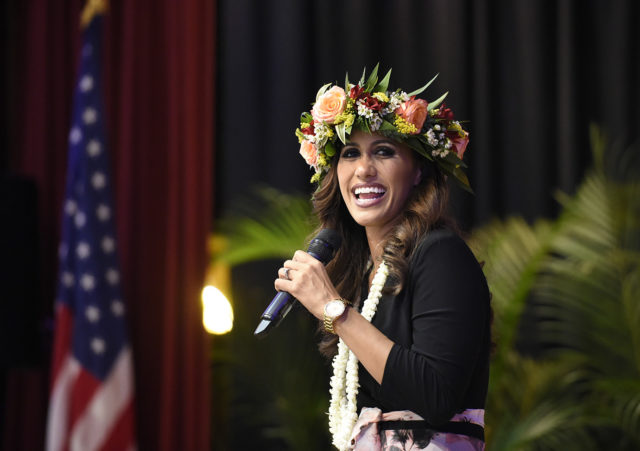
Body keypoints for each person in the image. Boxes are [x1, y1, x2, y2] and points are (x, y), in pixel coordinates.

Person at [274, 66, 491, 451]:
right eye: (350, 153)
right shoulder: (364, 274)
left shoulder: (440, 253)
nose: (363, 170)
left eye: (384, 152)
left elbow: (436, 398)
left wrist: (332, 309)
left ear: (419, 169)